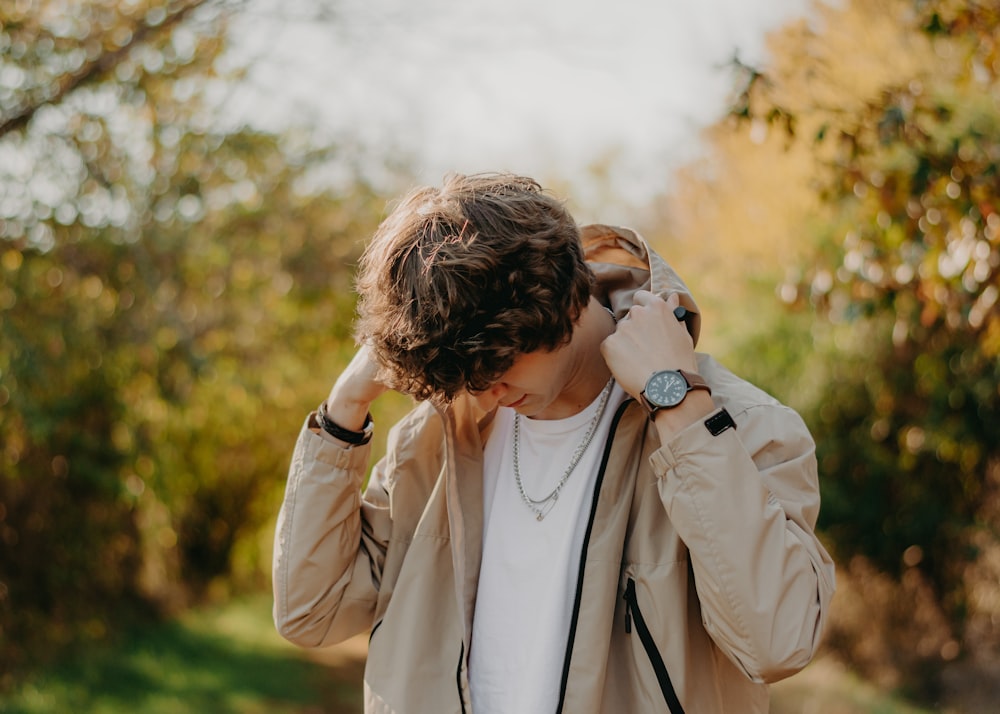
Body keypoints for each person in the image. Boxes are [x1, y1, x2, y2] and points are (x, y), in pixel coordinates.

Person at [272, 173, 836, 713]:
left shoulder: (736, 425)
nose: (483, 390)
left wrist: (678, 406)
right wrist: (345, 409)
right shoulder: (434, 439)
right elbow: (309, 612)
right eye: (465, 376)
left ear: (562, 300)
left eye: (498, 364)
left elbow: (776, 641)